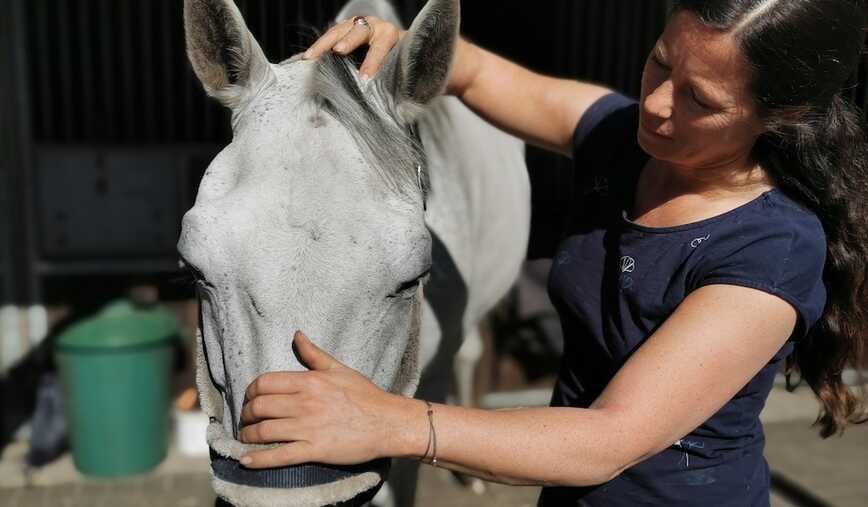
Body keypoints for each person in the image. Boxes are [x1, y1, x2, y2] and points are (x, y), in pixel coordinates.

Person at [233, 1, 868, 505]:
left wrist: (390, 422)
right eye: (659, 62)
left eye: (700, 99)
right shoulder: (624, 138)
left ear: (784, 116)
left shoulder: (771, 251)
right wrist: (400, 45)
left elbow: (606, 440)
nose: (657, 102)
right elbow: (477, 73)